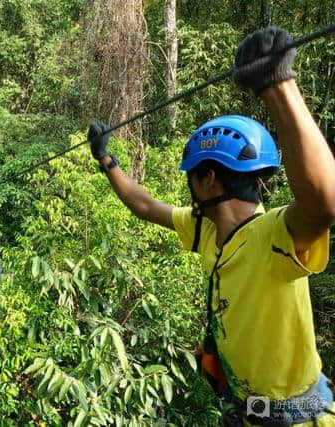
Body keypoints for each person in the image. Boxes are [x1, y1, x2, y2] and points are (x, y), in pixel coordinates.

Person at [87, 27, 335, 426]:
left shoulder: (275, 235)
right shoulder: (204, 228)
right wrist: (106, 161)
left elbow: (324, 203)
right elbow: (144, 205)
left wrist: (279, 84)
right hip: (250, 414)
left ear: (209, 180)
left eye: (191, 176)